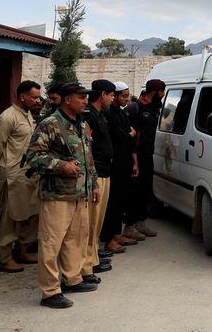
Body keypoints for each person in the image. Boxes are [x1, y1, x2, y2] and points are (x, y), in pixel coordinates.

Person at [26, 82, 100, 309]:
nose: (85, 101)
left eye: (85, 97)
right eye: (81, 97)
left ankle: (72, 278)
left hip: (79, 193)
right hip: (57, 194)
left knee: (75, 239)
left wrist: (94, 183)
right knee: (51, 243)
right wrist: (61, 166)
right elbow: (32, 157)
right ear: (68, 100)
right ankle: (49, 292)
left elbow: (87, 157)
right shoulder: (50, 124)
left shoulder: (80, 123)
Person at [0, 80, 41, 273]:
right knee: (8, 218)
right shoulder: (7, 117)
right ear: (23, 96)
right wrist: (1, 172)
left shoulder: (27, 115)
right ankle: (5, 258)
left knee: (29, 214)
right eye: (34, 97)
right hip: (11, 175)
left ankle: (22, 250)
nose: (37, 100)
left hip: (27, 174)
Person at [80, 80, 117, 283]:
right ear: (103, 94)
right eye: (111, 95)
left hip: (105, 172)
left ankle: (92, 257)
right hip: (96, 175)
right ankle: (86, 263)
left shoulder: (100, 115)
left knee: (97, 222)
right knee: (91, 222)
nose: (112, 98)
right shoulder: (89, 117)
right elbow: (87, 149)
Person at [101, 82, 139, 253]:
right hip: (115, 163)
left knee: (122, 199)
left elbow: (129, 138)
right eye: (123, 95)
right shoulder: (109, 114)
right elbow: (122, 136)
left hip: (125, 162)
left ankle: (117, 233)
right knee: (113, 202)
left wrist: (134, 162)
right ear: (113, 95)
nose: (127, 99)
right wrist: (130, 134)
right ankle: (109, 238)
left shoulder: (122, 114)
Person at [125, 79, 164, 240]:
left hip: (148, 155)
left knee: (146, 191)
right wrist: (133, 160)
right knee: (134, 191)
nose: (162, 94)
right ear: (153, 91)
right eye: (161, 91)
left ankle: (140, 222)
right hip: (135, 156)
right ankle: (129, 226)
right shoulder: (135, 107)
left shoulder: (155, 107)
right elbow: (127, 134)